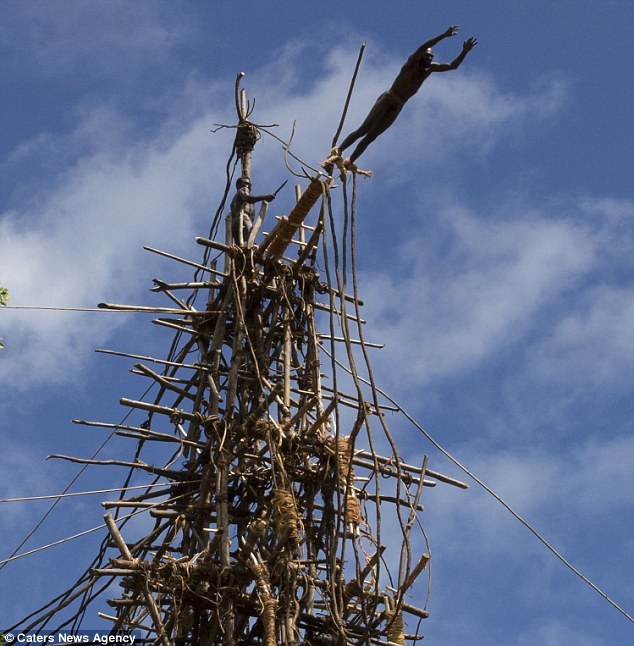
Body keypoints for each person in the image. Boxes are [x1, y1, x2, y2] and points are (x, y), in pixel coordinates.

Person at [331, 26, 477, 168]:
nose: (430, 58)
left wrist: (464, 52)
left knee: (372, 136)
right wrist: (443, 36)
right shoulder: (411, 65)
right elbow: (423, 46)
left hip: (398, 105)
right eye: (427, 55)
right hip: (388, 98)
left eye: (431, 57)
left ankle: (349, 161)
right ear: (420, 56)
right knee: (364, 130)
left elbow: (452, 66)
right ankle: (339, 151)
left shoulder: (430, 69)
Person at [230, 177, 276, 245]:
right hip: (243, 219)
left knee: (241, 246)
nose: (248, 186)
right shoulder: (242, 190)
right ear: (239, 185)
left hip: (236, 224)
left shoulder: (234, 200)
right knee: (249, 243)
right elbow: (248, 198)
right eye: (245, 184)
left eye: (249, 185)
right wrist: (265, 197)